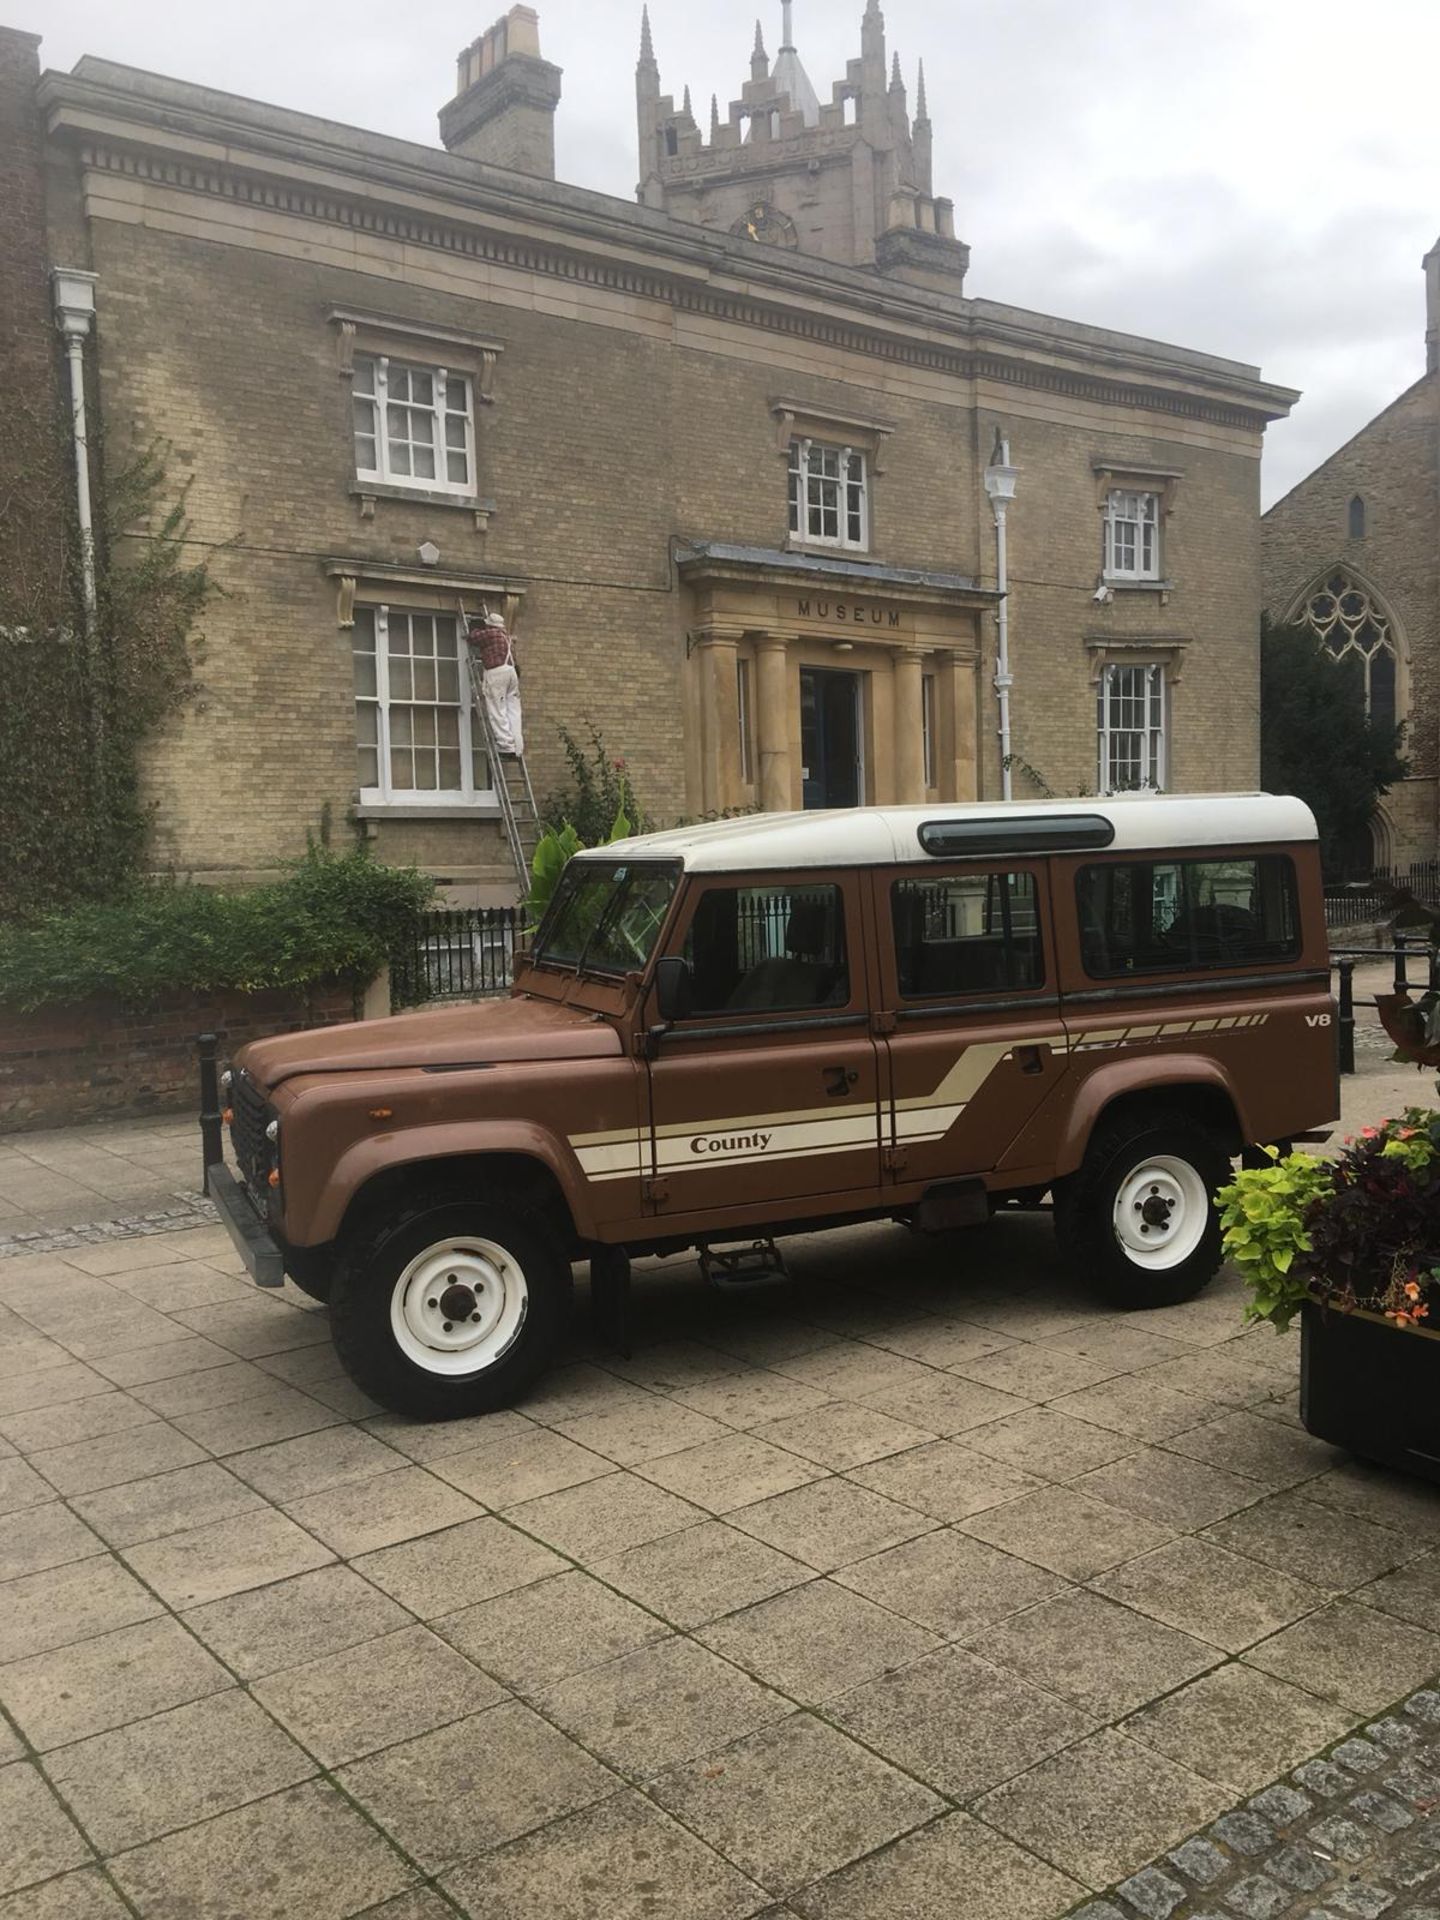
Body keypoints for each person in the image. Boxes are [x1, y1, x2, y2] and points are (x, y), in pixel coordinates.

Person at [467, 608, 523, 757]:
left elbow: (473, 638)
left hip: (497, 673)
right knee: (513, 709)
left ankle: (506, 746)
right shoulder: (507, 637)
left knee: (497, 709)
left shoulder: (491, 634)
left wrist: (472, 630)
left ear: (490, 626)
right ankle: (517, 744)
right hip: (511, 673)